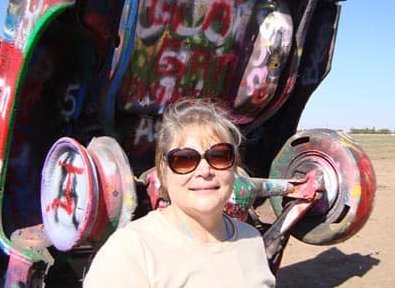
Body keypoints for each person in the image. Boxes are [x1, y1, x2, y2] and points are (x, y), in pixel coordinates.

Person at [83, 98, 275, 287]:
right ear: (163, 170)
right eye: (185, 159)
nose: (204, 171)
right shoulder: (132, 251)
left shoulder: (251, 240)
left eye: (219, 156)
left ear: (234, 165)